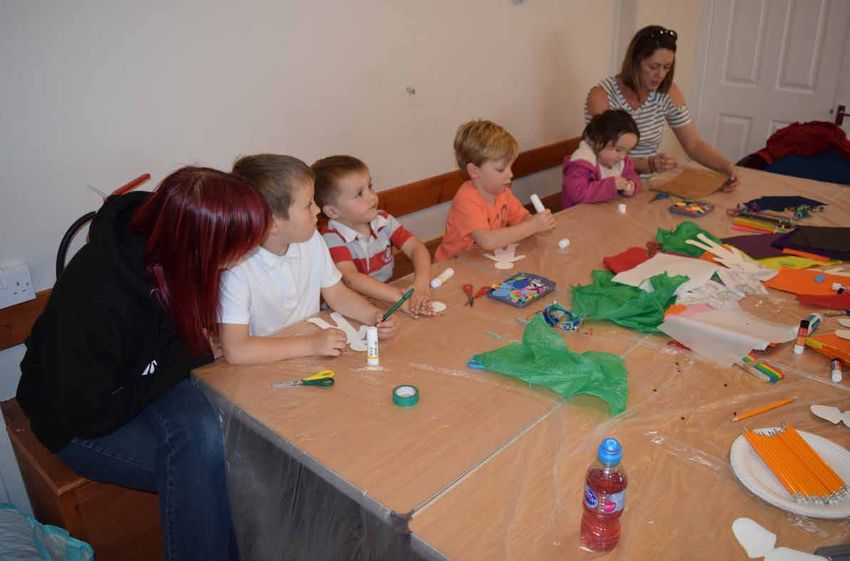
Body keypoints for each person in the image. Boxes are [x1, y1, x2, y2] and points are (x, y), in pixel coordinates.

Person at [17, 167, 271, 561]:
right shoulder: (100, 298)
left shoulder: (175, 252)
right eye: (241, 245)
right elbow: (91, 415)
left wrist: (188, 353)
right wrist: (189, 357)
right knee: (212, 470)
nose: (247, 253)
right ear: (202, 242)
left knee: (219, 445)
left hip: (146, 379)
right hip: (79, 420)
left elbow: (168, 344)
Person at [219, 154, 400, 364]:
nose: (317, 209)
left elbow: (336, 293)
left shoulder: (311, 239)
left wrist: (374, 316)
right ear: (272, 223)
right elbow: (236, 350)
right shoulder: (237, 269)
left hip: (312, 356)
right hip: (265, 365)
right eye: (308, 205)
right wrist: (311, 344)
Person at [586, 25, 739, 189]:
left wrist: (726, 167)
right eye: (654, 67)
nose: (660, 75)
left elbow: (693, 144)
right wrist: (649, 165)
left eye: (667, 67)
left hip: (644, 186)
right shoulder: (602, 95)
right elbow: (605, 154)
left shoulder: (667, 92)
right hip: (607, 185)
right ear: (635, 61)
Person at [313, 155, 435, 317]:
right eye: (359, 194)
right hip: (350, 311)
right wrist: (398, 297)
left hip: (387, 299)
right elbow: (351, 278)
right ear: (333, 211)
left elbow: (416, 248)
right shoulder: (331, 237)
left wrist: (421, 283)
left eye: (370, 186)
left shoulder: (383, 220)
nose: (371, 196)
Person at [435, 119, 556, 261]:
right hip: (451, 266)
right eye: (501, 169)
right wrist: (532, 226)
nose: (510, 174)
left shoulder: (503, 192)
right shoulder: (466, 199)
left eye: (511, 166)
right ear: (474, 171)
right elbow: (487, 240)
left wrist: (541, 224)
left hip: (482, 261)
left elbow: (522, 218)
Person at [562, 109, 642, 208]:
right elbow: (578, 194)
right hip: (580, 215)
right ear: (599, 142)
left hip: (607, 211)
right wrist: (611, 185)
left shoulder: (622, 162)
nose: (623, 156)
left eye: (627, 151)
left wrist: (632, 184)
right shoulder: (581, 162)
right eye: (618, 150)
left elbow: (632, 176)